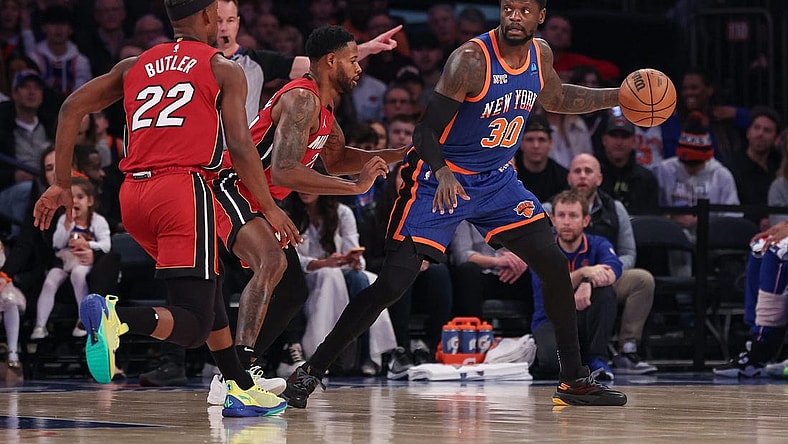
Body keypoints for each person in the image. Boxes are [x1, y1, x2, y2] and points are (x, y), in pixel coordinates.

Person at [281, 0, 628, 408]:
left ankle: (574, 380)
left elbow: (556, 98)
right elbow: (425, 130)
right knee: (393, 283)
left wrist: (618, 95)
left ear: (541, 16)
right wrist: (443, 171)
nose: (514, 17)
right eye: (507, 8)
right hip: (437, 177)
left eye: (523, 10)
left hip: (496, 179)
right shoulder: (469, 59)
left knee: (551, 262)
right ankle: (312, 371)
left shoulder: (540, 54)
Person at [33, 0, 301, 419]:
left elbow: (71, 108)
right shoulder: (222, 67)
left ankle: (240, 388)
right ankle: (116, 317)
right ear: (210, 17)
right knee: (193, 324)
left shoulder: (132, 65)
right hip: (183, 190)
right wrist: (268, 207)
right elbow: (242, 147)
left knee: (208, 299)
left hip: (133, 197)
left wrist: (61, 184)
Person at [205, 25, 407, 403]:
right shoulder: (302, 98)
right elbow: (284, 170)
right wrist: (355, 187)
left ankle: (232, 372)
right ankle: (237, 378)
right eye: (352, 60)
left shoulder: (326, 109)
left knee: (293, 290)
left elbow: (338, 159)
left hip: (259, 198)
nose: (358, 68)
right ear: (331, 62)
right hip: (232, 187)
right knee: (271, 264)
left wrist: (403, 154)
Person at [561, 153, 657, 375]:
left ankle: (628, 351)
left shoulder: (615, 208)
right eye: (577, 171)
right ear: (568, 177)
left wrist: (601, 272)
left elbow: (628, 253)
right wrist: (583, 275)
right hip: (567, 278)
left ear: (600, 178)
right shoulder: (553, 208)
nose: (583, 176)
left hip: (606, 276)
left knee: (642, 279)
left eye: (588, 171)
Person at [531, 190, 621, 380]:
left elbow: (613, 269)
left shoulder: (598, 244)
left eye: (573, 216)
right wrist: (583, 273)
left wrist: (588, 282)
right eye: (561, 216)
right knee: (551, 363)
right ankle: (581, 359)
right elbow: (550, 284)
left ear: (586, 220)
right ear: (553, 220)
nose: (566, 222)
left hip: (583, 316)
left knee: (605, 291)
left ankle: (599, 359)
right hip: (550, 320)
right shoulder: (541, 251)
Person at [31, 176, 110, 340]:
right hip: (64, 261)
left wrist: (88, 245)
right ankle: (40, 326)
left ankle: (84, 319)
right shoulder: (63, 220)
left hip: (82, 262)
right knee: (50, 281)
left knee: (78, 274)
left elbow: (106, 245)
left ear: (90, 201)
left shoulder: (98, 221)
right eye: (71, 198)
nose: (75, 202)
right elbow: (57, 244)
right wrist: (67, 226)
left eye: (80, 197)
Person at [513, 112, 568, 203]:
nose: (536, 145)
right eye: (530, 140)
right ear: (520, 143)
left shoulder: (561, 177)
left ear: (550, 143)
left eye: (541, 140)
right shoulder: (511, 174)